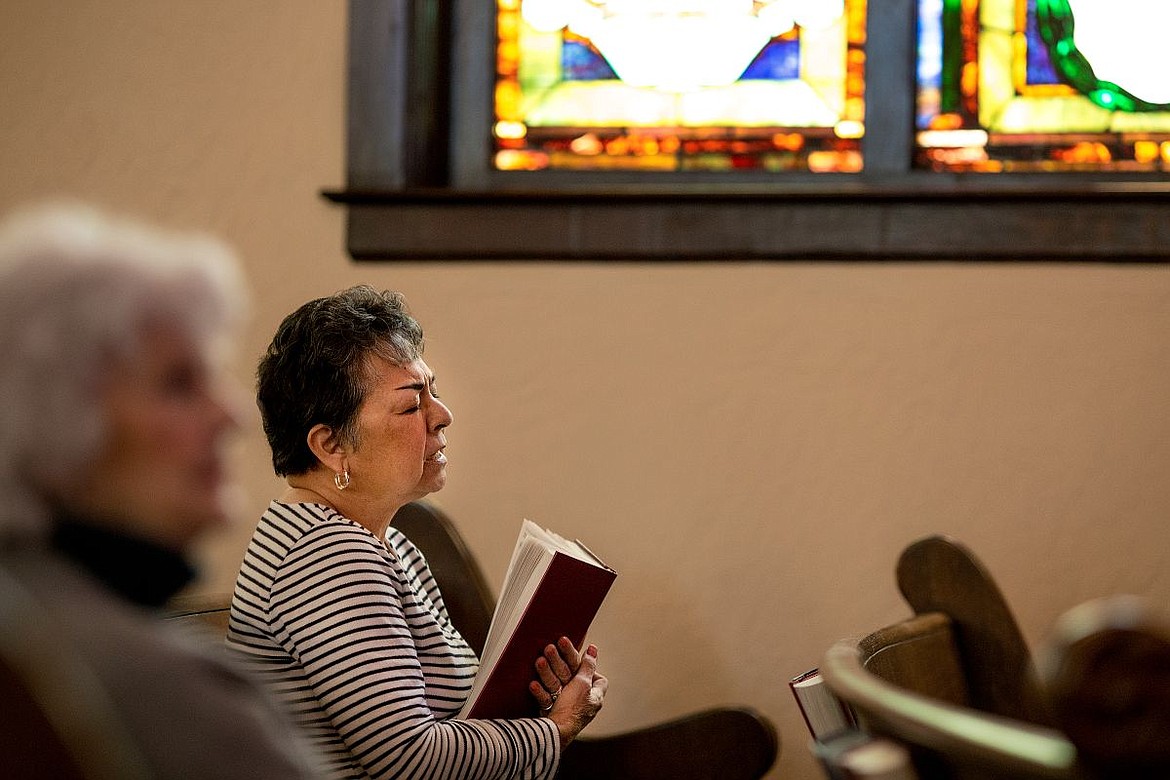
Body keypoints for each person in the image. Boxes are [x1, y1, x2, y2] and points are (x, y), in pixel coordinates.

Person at [226, 285, 608, 779]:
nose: (442, 415)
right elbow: (410, 760)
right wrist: (554, 728)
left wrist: (534, 697)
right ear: (331, 445)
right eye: (411, 406)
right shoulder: (326, 556)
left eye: (433, 390)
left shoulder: (384, 543)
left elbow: (449, 723)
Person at [0, 202, 323, 778]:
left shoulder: (32, 606)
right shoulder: (153, 689)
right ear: (54, 418)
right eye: (179, 384)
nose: (232, 416)